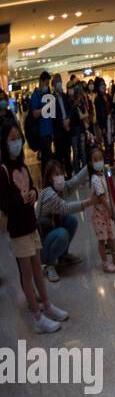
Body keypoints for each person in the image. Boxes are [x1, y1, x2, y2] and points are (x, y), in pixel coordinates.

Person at [1, 122, 69, 332]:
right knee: (27, 274)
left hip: (31, 225)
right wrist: (19, 199)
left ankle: (47, 304)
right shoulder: (3, 171)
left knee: (38, 270)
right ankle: (37, 317)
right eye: (12, 138)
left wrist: (33, 194)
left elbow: (33, 188)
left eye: (18, 137)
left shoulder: (22, 166)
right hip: (18, 230)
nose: (17, 142)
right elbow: (4, 204)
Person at [36, 160, 92, 282]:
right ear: (49, 178)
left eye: (61, 173)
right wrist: (89, 202)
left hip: (51, 232)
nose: (60, 177)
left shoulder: (60, 188)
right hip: (40, 247)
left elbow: (75, 181)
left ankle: (62, 256)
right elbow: (65, 207)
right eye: (56, 174)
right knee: (63, 234)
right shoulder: (48, 194)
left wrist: (90, 165)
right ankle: (49, 265)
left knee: (71, 220)